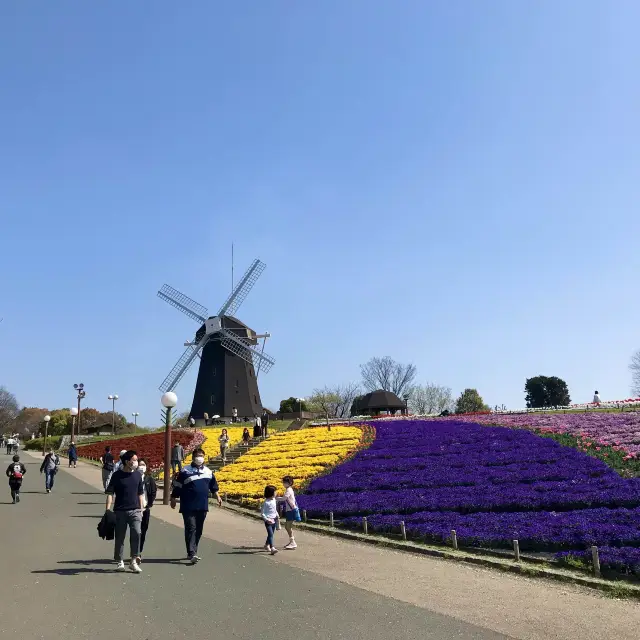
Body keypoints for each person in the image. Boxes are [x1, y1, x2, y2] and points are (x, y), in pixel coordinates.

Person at [170, 448, 222, 564]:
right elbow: (178, 486)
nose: (200, 458)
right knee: (191, 527)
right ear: (193, 457)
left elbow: (213, 486)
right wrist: (173, 498)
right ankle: (191, 552)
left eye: (202, 456)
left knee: (198, 529)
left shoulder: (208, 472)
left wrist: (217, 496)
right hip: (188, 505)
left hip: (202, 505)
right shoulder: (185, 471)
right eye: (198, 455)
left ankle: (193, 550)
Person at [105, 450, 144, 573]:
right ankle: (119, 561)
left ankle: (133, 560)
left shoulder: (138, 475)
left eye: (137, 460)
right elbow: (110, 493)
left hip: (135, 510)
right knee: (120, 537)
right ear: (127, 462)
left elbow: (140, 494)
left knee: (137, 533)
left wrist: (141, 509)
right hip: (120, 511)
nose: (136, 462)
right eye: (134, 460)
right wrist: (107, 510)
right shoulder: (117, 475)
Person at [137, 458, 157, 562]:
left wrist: (149, 504)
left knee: (143, 531)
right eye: (140, 464)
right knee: (136, 531)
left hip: (145, 509)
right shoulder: (133, 478)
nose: (141, 466)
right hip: (134, 509)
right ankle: (135, 553)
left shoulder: (149, 479)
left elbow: (153, 492)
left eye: (143, 464)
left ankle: (139, 552)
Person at [276, 475, 301, 550]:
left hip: (291, 510)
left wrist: (275, 498)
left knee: (287, 526)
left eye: (284, 482)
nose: (283, 484)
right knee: (288, 526)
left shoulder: (289, 490)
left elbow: (284, 499)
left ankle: (293, 542)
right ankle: (292, 541)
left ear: (289, 483)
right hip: (290, 510)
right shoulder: (288, 489)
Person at [261, 485, 279, 555]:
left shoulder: (274, 500)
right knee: (270, 534)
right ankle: (272, 548)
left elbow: (274, 509)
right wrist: (266, 519)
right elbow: (262, 513)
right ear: (271, 493)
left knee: (271, 534)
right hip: (268, 521)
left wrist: (277, 514)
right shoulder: (266, 503)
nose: (276, 493)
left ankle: (266, 545)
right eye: (275, 492)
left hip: (274, 519)